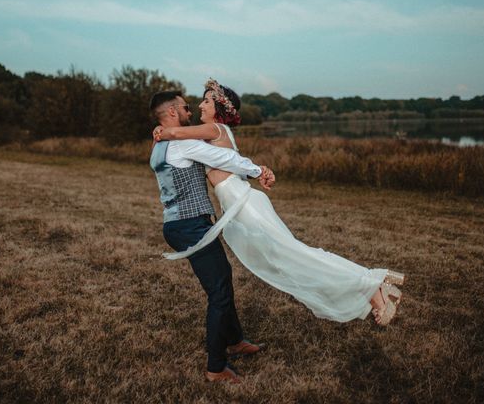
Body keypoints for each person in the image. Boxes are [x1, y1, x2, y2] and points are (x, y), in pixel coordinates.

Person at [152, 79, 405, 327]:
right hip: (240, 206)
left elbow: (175, 132)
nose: (200, 106)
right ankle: (370, 286)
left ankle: (372, 286)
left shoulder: (215, 129)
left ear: (219, 108)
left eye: (206, 101)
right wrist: (259, 169)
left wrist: (161, 131)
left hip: (247, 207)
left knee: (297, 256)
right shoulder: (208, 137)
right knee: (289, 258)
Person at [149, 90, 275, 384]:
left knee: (222, 279)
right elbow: (222, 157)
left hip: (178, 224)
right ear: (171, 113)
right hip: (190, 224)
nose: (190, 111)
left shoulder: (159, 145)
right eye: (185, 107)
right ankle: (216, 367)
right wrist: (258, 170)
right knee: (219, 292)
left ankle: (235, 340)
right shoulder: (181, 145)